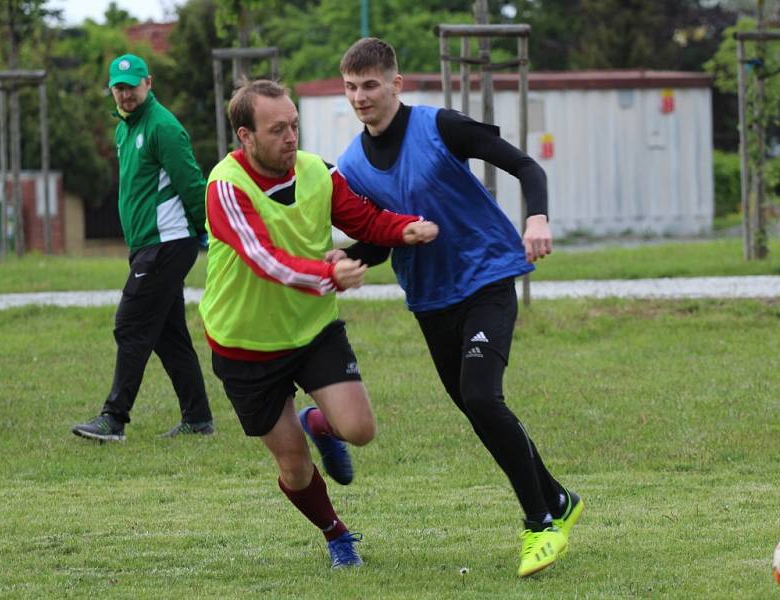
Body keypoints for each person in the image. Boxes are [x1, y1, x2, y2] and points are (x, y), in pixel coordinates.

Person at [335, 37, 583, 578]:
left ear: (395, 84)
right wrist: (347, 261)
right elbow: (382, 237)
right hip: (429, 299)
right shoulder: (351, 164)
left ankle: (540, 524)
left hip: (488, 279)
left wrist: (537, 217)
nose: (360, 96)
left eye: (370, 85)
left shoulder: (440, 126)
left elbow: (525, 167)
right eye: (351, 87)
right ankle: (560, 501)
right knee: (477, 408)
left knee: (481, 395)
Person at [198, 79, 437, 568]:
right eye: (277, 129)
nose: (291, 137)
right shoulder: (225, 187)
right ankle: (336, 533)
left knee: (360, 429)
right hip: (246, 346)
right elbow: (266, 260)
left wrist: (403, 228)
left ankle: (318, 422)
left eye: (295, 125)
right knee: (295, 467)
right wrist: (330, 272)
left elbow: (366, 220)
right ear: (245, 136)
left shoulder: (316, 172)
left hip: (312, 330)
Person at [72, 53, 214, 442]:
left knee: (130, 324)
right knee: (169, 335)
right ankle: (198, 419)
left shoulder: (163, 127)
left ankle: (113, 419)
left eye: (132, 85)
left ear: (148, 83)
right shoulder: (124, 129)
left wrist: (207, 230)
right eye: (119, 87)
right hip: (148, 246)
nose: (125, 93)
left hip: (166, 243)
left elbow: (191, 183)